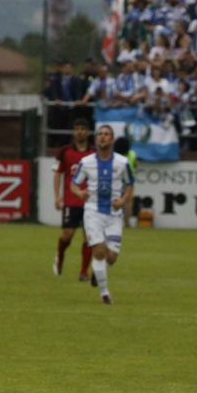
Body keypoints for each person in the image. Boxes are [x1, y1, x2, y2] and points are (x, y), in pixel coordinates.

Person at [70, 125, 135, 305]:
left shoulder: (122, 162)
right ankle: (104, 294)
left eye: (106, 134)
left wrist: (123, 201)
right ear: (96, 139)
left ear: (112, 139)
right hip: (93, 211)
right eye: (100, 134)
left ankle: (98, 272)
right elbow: (74, 184)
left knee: (111, 257)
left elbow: (130, 185)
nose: (103, 137)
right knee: (99, 250)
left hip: (114, 213)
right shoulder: (86, 162)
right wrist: (79, 193)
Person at [52, 118, 95, 281]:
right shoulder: (65, 151)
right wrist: (57, 197)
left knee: (89, 237)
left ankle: (83, 272)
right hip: (71, 200)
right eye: (77, 129)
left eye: (83, 129)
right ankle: (60, 254)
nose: (80, 132)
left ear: (88, 132)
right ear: (74, 131)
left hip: (90, 202)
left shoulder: (94, 152)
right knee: (67, 235)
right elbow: (58, 173)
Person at [113, 136, 138, 228]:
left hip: (117, 179)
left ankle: (114, 221)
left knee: (115, 199)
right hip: (129, 180)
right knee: (128, 201)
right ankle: (127, 223)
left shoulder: (114, 155)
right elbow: (135, 165)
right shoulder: (132, 154)